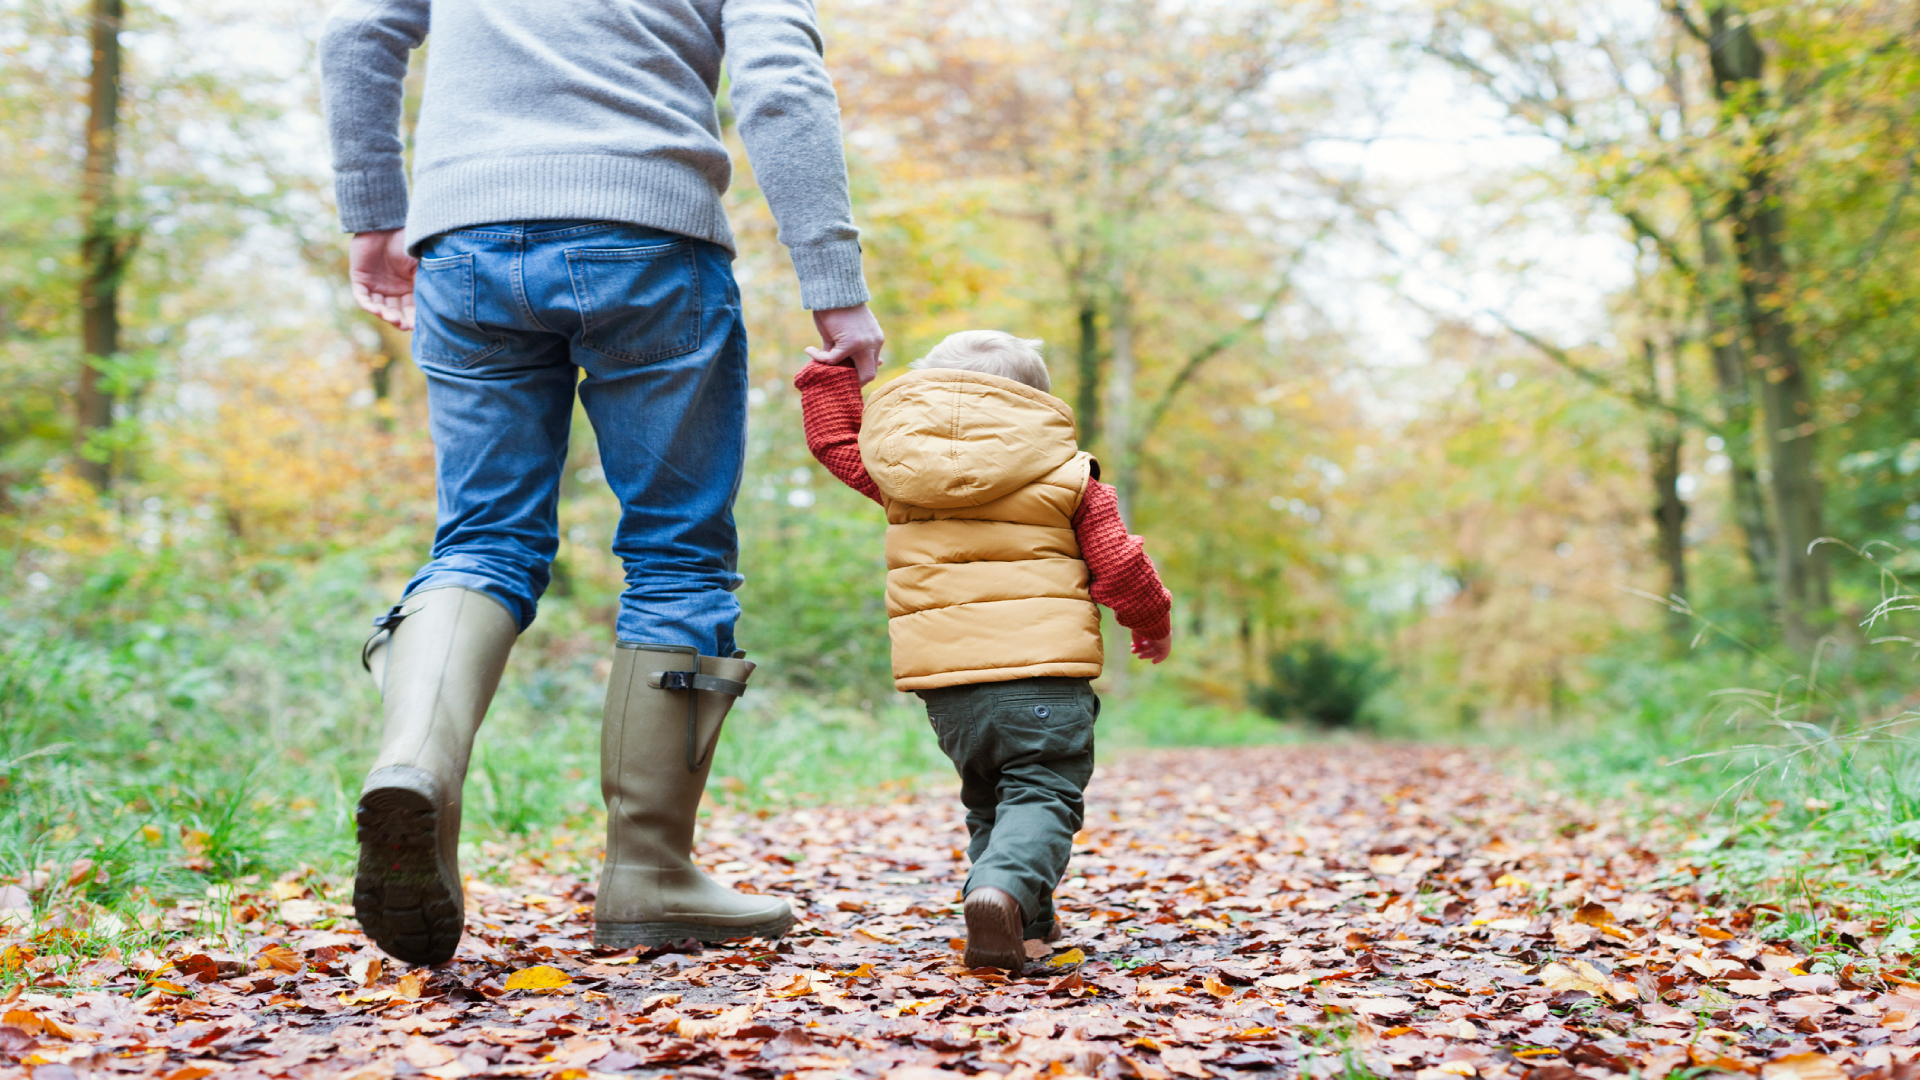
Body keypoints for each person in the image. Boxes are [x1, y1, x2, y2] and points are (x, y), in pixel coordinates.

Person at [319, 0, 885, 966]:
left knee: (483, 542)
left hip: (464, 237)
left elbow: (355, 31)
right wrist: (834, 286)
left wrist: (375, 211)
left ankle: (415, 760)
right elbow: (781, 83)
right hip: (650, 235)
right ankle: (649, 873)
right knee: (676, 555)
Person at [795, 330, 1173, 970]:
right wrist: (1152, 621)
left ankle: (1022, 928)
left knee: (991, 798)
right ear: (1035, 403)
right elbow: (1120, 564)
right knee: (1043, 792)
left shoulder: (902, 473)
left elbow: (834, 443)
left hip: (947, 682)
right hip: (1042, 673)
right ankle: (999, 892)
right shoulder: (1070, 475)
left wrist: (831, 376)